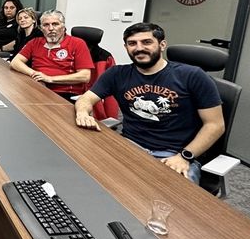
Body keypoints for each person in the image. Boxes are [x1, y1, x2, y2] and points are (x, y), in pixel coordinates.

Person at [74, 23, 224, 183]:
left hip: (174, 154)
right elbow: (86, 99)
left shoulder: (193, 76)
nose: (139, 48)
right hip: (129, 147)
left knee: (174, 195)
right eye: (132, 43)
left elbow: (215, 125)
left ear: (162, 45)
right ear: (126, 47)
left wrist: (184, 157)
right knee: (85, 176)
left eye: (146, 42)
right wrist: (83, 113)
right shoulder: (117, 74)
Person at [10, 10, 93, 99]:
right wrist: (35, 74)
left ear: (63, 26)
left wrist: (50, 79)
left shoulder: (77, 43)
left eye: (55, 24)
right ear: (41, 28)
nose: (50, 28)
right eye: (46, 25)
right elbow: (15, 62)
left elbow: (85, 76)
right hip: (37, 89)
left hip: (64, 94)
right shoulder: (35, 42)